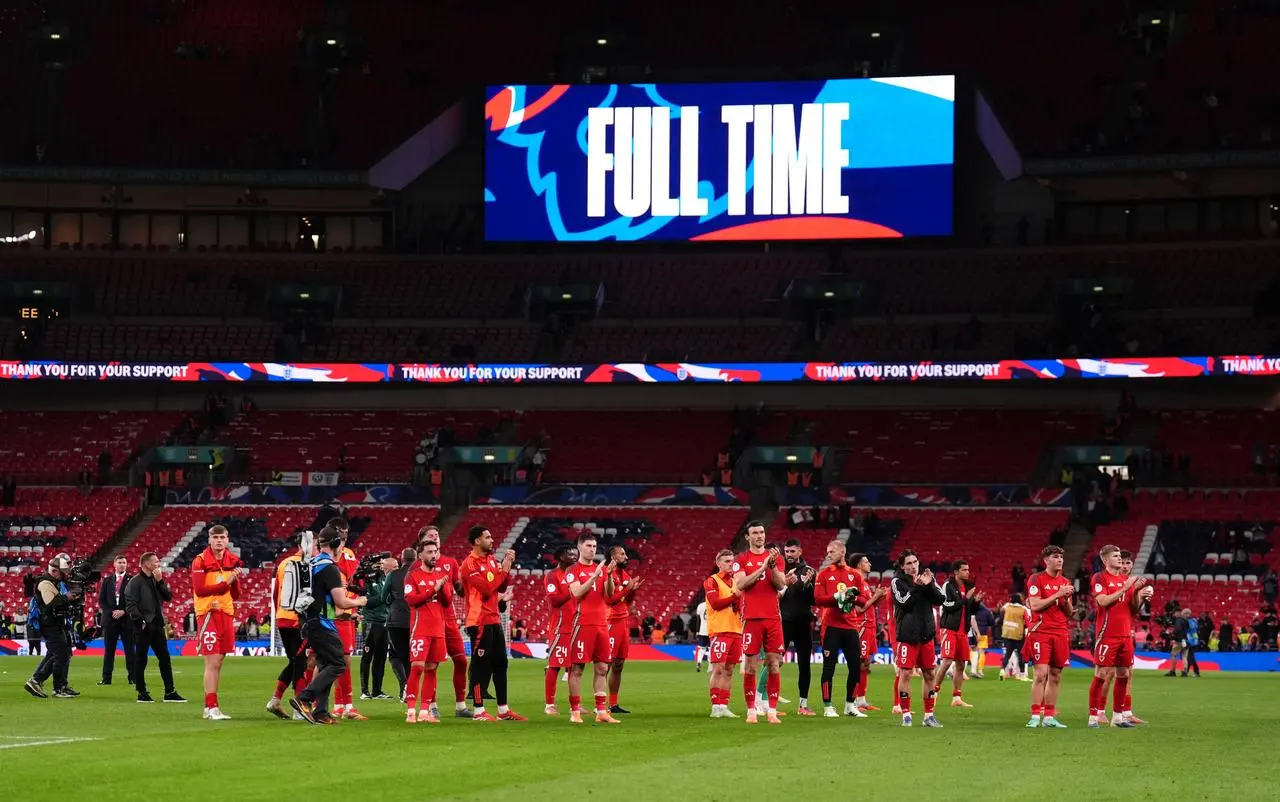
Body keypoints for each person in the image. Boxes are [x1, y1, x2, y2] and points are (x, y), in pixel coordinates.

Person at [291, 527, 368, 725]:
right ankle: (305, 698)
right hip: (322, 623)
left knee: (325, 664)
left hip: (309, 621)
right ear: (336, 544)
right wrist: (359, 601)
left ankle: (321, 713)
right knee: (338, 664)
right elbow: (341, 601)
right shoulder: (330, 568)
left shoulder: (312, 563)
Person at [460, 525, 525, 721]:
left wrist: (506, 566)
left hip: (494, 619)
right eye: (487, 537)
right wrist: (504, 568)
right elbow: (488, 589)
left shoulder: (491, 561)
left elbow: (502, 585)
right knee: (480, 666)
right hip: (478, 621)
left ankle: (503, 710)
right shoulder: (469, 564)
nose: (492, 540)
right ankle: (479, 710)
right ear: (477, 541)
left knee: (501, 664)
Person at [1088, 544, 1147, 728]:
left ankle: (1118, 717)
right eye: (1115, 555)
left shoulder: (1125, 579)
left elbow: (1133, 609)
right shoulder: (1099, 578)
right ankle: (1093, 717)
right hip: (1107, 634)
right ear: (1105, 560)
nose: (1119, 558)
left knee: (1123, 674)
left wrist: (1139, 593)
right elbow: (1103, 601)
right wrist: (1125, 588)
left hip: (1125, 635)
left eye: (1120, 555)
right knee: (1102, 673)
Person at [190, 524, 246, 720]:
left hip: (226, 612)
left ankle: (209, 707)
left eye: (222, 537)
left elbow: (236, 595)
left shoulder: (232, 561)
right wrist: (226, 582)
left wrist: (235, 579)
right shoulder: (200, 561)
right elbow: (200, 590)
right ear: (209, 540)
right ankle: (212, 707)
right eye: (216, 537)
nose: (219, 541)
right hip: (208, 612)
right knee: (212, 661)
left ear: (228, 539)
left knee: (219, 661)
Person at [733, 522, 787, 725]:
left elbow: (781, 584)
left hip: (773, 617)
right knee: (750, 667)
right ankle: (751, 710)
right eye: (755, 533)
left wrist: (771, 568)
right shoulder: (741, 559)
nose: (759, 536)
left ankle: (771, 710)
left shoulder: (777, 558)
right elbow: (740, 584)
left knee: (774, 664)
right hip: (752, 618)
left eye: (762, 532)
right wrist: (762, 568)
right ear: (747, 537)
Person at [565, 532, 620, 724]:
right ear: (580, 547)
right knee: (577, 668)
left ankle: (601, 711)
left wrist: (610, 575)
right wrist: (594, 576)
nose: (592, 549)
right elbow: (577, 592)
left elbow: (609, 595)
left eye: (594, 547)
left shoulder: (602, 570)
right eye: (588, 546)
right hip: (583, 624)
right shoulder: (573, 569)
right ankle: (575, 712)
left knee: (602, 667)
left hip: (601, 624)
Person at [417, 526, 472, 718]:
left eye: (437, 535)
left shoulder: (450, 562)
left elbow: (460, 591)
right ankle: (431, 705)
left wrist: (466, 581)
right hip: (430, 619)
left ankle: (460, 706)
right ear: (423, 542)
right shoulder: (418, 566)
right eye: (431, 536)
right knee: (432, 664)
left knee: (461, 660)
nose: (435, 538)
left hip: (449, 618)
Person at [813, 539, 869, 719]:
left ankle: (850, 705)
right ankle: (828, 706)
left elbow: (863, 601)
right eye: (827, 552)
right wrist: (838, 596)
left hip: (850, 625)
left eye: (831, 552)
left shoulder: (855, 575)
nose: (828, 555)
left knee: (855, 667)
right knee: (829, 667)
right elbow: (818, 599)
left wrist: (853, 596)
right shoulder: (823, 574)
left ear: (842, 552)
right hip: (831, 626)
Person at [890, 549, 946, 727]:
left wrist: (928, 585)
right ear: (902, 566)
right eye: (909, 563)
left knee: (929, 674)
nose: (913, 566)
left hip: (926, 635)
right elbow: (904, 602)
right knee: (905, 673)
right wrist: (918, 586)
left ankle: (929, 716)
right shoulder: (897, 582)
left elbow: (940, 600)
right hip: (908, 636)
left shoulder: (928, 579)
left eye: (915, 562)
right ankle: (906, 715)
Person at [124, 552, 185, 703]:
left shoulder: (156, 580)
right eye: (156, 562)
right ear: (146, 564)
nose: (158, 564)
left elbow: (168, 597)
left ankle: (169, 692)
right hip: (144, 626)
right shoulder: (135, 582)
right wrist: (142, 621)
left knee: (165, 658)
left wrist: (160, 581)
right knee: (141, 659)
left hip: (157, 624)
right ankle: (141, 692)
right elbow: (130, 605)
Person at [403, 539, 452, 724]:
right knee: (417, 668)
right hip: (420, 629)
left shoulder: (442, 575)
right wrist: (434, 589)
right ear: (421, 555)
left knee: (432, 669)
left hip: (438, 629)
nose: (433, 555)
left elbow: (447, 602)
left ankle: (424, 711)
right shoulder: (412, 576)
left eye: (435, 551)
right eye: (430, 552)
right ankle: (410, 710)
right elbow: (411, 600)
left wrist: (441, 589)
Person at [1025, 545, 1073, 728]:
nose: (1060, 559)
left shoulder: (1065, 581)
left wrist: (1067, 599)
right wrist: (1058, 594)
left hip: (1060, 631)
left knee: (1055, 675)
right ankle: (1035, 716)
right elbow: (1035, 606)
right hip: (1041, 631)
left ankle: (1050, 717)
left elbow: (1068, 613)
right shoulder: (1036, 579)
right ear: (1046, 560)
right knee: (1040, 674)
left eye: (1061, 556)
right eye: (1055, 556)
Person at [23, 553, 81, 699]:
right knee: (61, 654)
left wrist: (71, 600)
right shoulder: (45, 583)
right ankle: (46, 684)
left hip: (55, 622)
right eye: (62, 573)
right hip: (49, 624)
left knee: (57, 653)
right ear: (54, 571)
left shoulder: (52, 581)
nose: (64, 576)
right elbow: (50, 603)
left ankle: (46, 683)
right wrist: (65, 597)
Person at [266, 533, 310, 719]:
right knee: (300, 662)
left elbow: (276, 592)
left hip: (284, 617)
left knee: (294, 661)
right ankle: (299, 706)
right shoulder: (304, 564)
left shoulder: (284, 563)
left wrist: (279, 615)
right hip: (297, 619)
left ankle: (275, 700)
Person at [328, 519, 367, 721]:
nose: (343, 534)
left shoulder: (349, 554)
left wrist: (353, 607)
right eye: (338, 531)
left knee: (344, 659)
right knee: (319, 661)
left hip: (345, 615)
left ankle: (345, 705)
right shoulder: (323, 556)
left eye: (345, 531)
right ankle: (321, 703)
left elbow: (353, 583)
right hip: (327, 614)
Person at [936, 559, 984, 709]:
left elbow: (970, 610)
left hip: (963, 630)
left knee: (961, 664)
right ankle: (933, 693)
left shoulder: (968, 586)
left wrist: (975, 602)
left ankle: (957, 697)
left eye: (968, 569)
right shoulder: (948, 586)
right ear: (956, 572)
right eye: (964, 570)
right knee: (947, 661)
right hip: (949, 629)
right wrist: (965, 599)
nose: (967, 572)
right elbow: (948, 606)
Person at [703, 549, 743, 718]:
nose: (729, 564)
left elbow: (739, 605)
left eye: (731, 561)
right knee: (718, 669)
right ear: (718, 563)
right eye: (726, 561)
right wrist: (735, 596)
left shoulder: (735, 582)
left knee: (729, 670)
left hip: (736, 630)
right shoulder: (711, 581)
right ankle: (715, 706)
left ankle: (724, 705)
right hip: (720, 630)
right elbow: (716, 604)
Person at [605, 544, 644, 714]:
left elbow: (626, 602)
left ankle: (613, 704)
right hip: (610, 621)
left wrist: (633, 592)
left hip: (623, 622)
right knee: (605, 664)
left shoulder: (625, 575)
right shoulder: (608, 575)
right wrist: (627, 589)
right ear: (613, 557)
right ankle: (599, 703)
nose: (626, 557)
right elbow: (609, 600)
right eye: (622, 554)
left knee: (619, 664)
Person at [779, 538, 817, 715]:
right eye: (787, 551)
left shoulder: (809, 571)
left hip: (802, 622)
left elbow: (812, 600)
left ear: (800, 552)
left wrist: (807, 585)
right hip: (783, 622)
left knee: (804, 665)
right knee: (774, 661)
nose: (789, 555)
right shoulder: (779, 569)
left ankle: (803, 704)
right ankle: (765, 701)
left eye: (792, 551)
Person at [543, 544, 578, 715]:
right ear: (560, 557)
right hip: (560, 626)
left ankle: (575, 706)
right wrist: (572, 591)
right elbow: (555, 600)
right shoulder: (552, 575)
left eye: (575, 553)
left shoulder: (575, 575)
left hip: (576, 626)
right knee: (555, 665)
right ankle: (549, 705)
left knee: (575, 667)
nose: (574, 555)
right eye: (569, 553)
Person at [359, 552, 399, 701]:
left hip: (384, 621)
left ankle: (377, 691)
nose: (397, 569)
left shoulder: (386, 580)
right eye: (394, 567)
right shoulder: (371, 580)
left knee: (381, 657)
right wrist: (383, 596)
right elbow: (367, 601)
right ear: (386, 567)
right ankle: (364, 690)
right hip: (371, 622)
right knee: (367, 656)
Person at [850, 552, 886, 711]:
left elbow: (870, 606)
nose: (869, 564)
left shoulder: (864, 583)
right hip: (861, 626)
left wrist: (879, 598)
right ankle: (854, 700)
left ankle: (862, 699)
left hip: (870, 627)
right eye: (866, 561)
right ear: (858, 565)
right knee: (859, 663)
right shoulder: (855, 583)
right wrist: (876, 596)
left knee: (866, 664)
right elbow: (859, 609)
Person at [384, 547, 417, 701]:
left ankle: (406, 686)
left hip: (396, 621)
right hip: (415, 621)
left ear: (401, 559)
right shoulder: (419, 574)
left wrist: (392, 603)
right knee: (413, 656)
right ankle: (411, 689)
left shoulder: (393, 575)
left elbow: (384, 597)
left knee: (397, 655)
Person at [98, 555, 136, 687]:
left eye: (124, 563)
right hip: (110, 620)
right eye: (119, 562)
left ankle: (133, 678)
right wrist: (111, 612)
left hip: (127, 620)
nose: (122, 565)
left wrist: (124, 611)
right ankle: (106, 678)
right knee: (109, 650)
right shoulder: (107, 581)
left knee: (130, 650)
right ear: (114, 564)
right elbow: (101, 600)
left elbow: (136, 600)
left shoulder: (132, 580)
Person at [999, 594, 1030, 681]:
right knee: (1021, 655)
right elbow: (1027, 624)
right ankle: (1022, 675)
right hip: (1018, 635)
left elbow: (1000, 619)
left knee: (1008, 654)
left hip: (1007, 633)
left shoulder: (1006, 607)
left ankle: (1002, 670)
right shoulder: (1023, 609)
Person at [693, 597, 710, 672]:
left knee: (702, 648)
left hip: (702, 630)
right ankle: (710, 666)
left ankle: (699, 661)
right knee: (711, 648)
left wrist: (697, 631)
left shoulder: (700, 606)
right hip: (711, 630)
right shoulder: (713, 604)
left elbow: (697, 619)